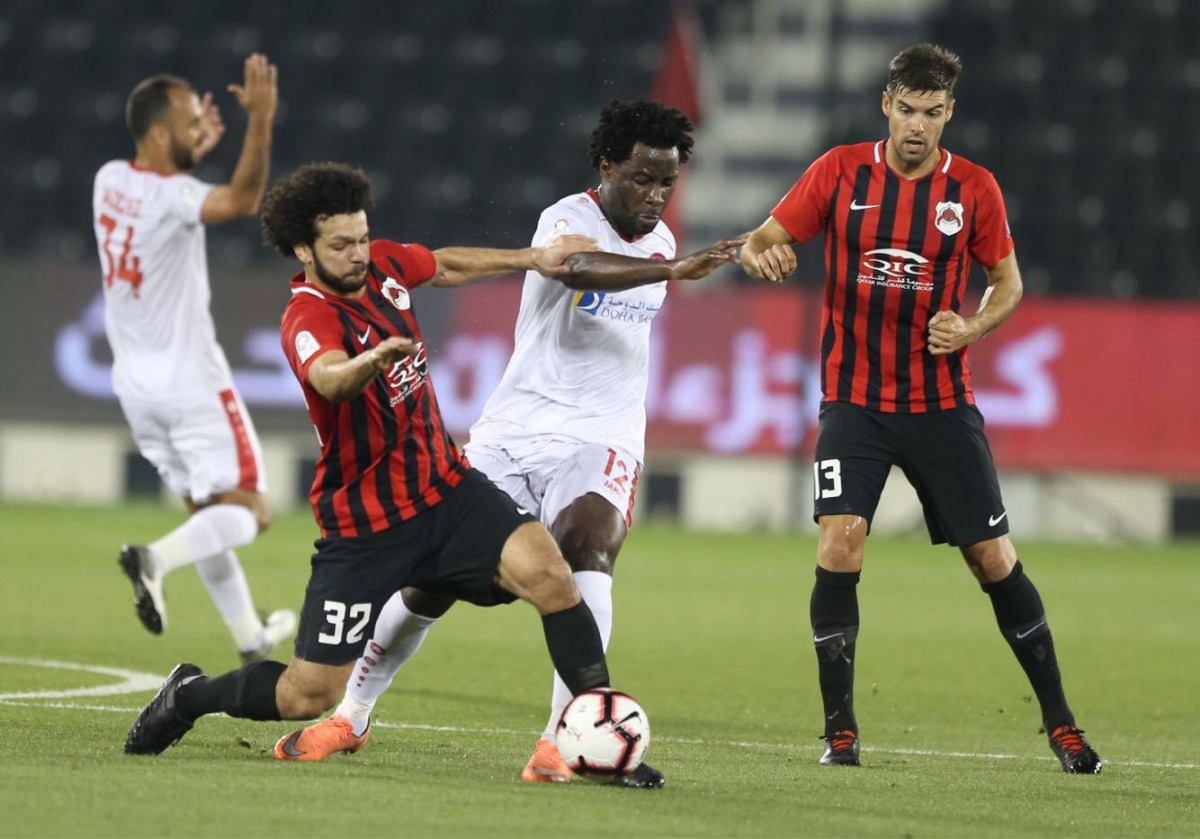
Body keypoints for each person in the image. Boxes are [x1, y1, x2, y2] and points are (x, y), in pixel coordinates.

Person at [276, 99, 741, 788]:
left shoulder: (663, 241)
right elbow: (574, 267)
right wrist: (671, 271)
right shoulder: (568, 218)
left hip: (603, 434)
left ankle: (565, 743)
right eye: (642, 178)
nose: (654, 196)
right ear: (607, 166)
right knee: (428, 585)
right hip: (515, 428)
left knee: (588, 547)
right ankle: (352, 715)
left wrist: (682, 260)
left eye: (666, 183)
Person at [124, 161, 625, 762]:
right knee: (306, 694)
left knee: (551, 576)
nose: (358, 253)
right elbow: (328, 377)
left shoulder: (384, 266)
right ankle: (189, 696)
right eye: (340, 245)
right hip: (367, 527)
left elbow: (443, 264)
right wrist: (372, 361)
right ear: (303, 249)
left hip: (448, 491)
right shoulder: (308, 317)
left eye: (361, 237)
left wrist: (533, 257)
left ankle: (596, 734)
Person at [739, 44, 1102, 774]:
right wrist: (761, 255)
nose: (916, 126)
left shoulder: (974, 189)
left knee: (992, 558)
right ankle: (840, 733)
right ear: (886, 105)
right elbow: (761, 240)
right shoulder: (839, 171)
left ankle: (1063, 726)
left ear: (949, 114)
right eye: (906, 110)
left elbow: (1007, 283)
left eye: (932, 113)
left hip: (939, 402)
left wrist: (971, 327)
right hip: (854, 401)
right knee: (839, 543)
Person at [94, 54, 296, 663]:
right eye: (189, 122)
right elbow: (243, 199)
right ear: (160, 133)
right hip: (190, 382)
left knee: (206, 514)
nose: (199, 127)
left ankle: (250, 641)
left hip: (135, 387)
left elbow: (165, 187)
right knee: (250, 511)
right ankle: (153, 560)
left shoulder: (108, 179)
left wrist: (190, 152)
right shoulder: (173, 195)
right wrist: (260, 119)